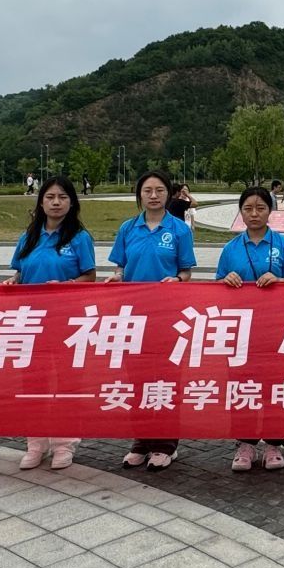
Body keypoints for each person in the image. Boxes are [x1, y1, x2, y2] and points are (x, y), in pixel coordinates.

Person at [7, 175, 96, 471]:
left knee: (66, 383)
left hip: (66, 323)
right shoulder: (29, 237)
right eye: (50, 197)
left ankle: (64, 443)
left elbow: (89, 277)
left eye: (62, 197)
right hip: (31, 323)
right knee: (33, 383)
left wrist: (68, 285)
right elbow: (20, 271)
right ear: (41, 202)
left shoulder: (79, 238)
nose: (56, 203)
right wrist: (13, 280)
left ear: (72, 203)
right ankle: (36, 443)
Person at [111, 170, 197, 469]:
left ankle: (165, 444)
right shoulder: (127, 228)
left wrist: (177, 279)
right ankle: (141, 440)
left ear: (168, 194)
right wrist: (117, 277)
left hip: (167, 317)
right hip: (133, 316)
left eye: (159, 190)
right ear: (139, 194)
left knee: (166, 379)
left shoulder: (179, 230)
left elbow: (186, 271)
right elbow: (121, 267)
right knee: (136, 379)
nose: (153, 195)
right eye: (147, 190)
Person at [217, 185, 284, 473]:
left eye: (260, 208)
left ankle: (274, 444)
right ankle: (245, 443)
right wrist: (226, 280)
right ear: (240, 213)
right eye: (248, 209)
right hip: (241, 331)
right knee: (242, 385)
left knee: (275, 385)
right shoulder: (231, 249)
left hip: (276, 328)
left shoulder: (283, 246)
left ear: (271, 212)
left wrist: (279, 281)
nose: (254, 214)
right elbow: (216, 286)